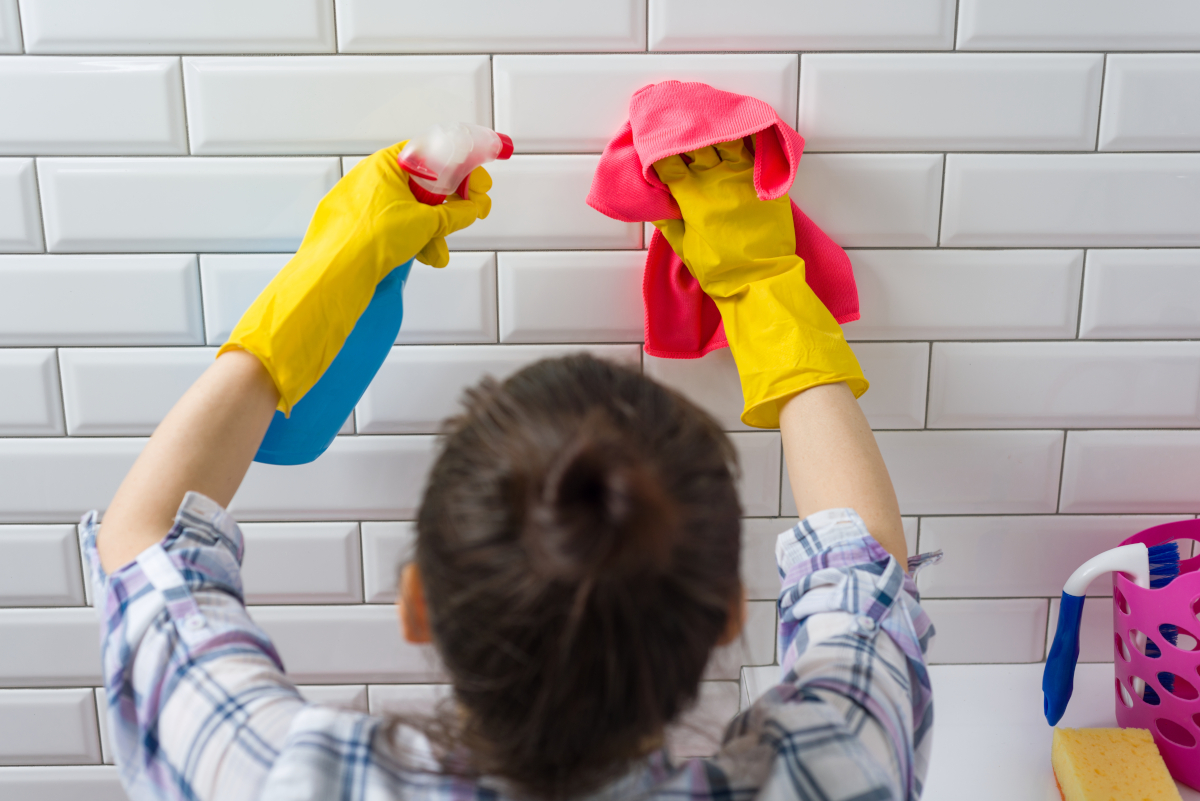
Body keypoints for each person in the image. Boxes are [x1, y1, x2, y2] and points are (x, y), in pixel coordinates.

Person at [86, 138, 936, 801]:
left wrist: (331, 272)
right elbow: (863, 585)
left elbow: (144, 542)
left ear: (417, 602)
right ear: (728, 616)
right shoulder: (830, 770)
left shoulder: (283, 775)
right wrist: (760, 283)